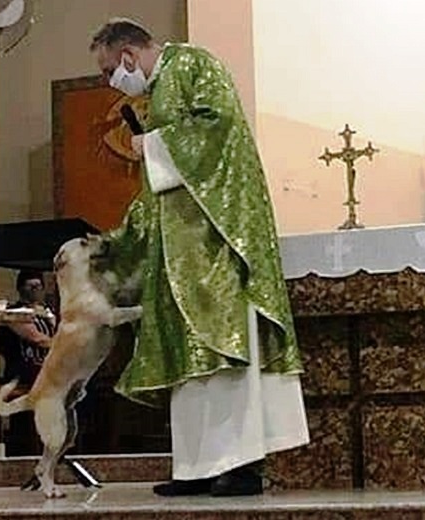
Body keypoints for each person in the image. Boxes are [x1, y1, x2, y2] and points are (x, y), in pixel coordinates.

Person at [89, 18, 309, 497]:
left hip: (216, 242)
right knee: (190, 363)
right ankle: (198, 467)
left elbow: (218, 126)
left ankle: (242, 465)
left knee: (224, 354)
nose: (111, 82)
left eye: (110, 70)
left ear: (129, 53)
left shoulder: (193, 63)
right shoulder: (160, 89)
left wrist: (153, 144)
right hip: (180, 253)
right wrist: (119, 239)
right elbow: (159, 192)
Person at [0, 270, 57, 455]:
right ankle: (26, 447)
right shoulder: (15, 313)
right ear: (20, 289)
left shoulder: (47, 313)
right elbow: (37, 339)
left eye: (38, 287)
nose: (34, 291)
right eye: (30, 287)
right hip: (22, 371)